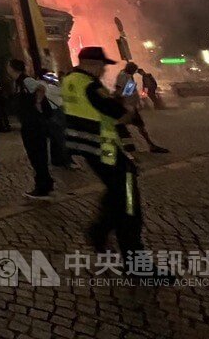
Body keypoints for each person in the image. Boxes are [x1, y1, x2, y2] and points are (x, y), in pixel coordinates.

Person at [63, 47, 146, 261]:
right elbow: (116, 112)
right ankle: (135, 260)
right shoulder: (90, 85)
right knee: (128, 200)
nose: (103, 70)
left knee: (116, 191)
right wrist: (127, 109)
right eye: (102, 65)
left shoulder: (69, 80)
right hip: (105, 146)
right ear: (92, 63)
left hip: (88, 146)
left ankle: (99, 231)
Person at [8, 59, 53, 200]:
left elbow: (40, 88)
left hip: (33, 124)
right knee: (36, 154)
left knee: (37, 154)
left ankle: (42, 187)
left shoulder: (25, 80)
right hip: (28, 123)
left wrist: (38, 103)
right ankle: (46, 182)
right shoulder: (18, 82)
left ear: (13, 68)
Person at [115, 62, 168, 154]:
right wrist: (132, 103)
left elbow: (120, 91)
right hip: (129, 107)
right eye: (134, 71)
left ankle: (142, 146)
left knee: (130, 126)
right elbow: (127, 93)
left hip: (128, 106)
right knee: (132, 126)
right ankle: (142, 147)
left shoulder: (122, 75)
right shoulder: (127, 78)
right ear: (132, 70)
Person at [41, 71, 73, 168]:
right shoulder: (53, 88)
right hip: (57, 114)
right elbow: (65, 93)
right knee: (61, 138)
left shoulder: (47, 88)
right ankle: (67, 161)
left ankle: (56, 160)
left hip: (52, 114)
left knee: (54, 139)